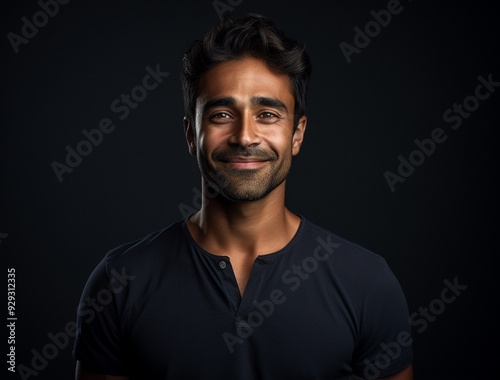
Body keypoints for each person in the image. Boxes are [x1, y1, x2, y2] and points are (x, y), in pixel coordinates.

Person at [73, 13, 413, 380]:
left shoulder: (367, 284)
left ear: (297, 134)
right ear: (192, 135)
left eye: (267, 114)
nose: (245, 136)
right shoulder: (119, 281)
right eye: (222, 114)